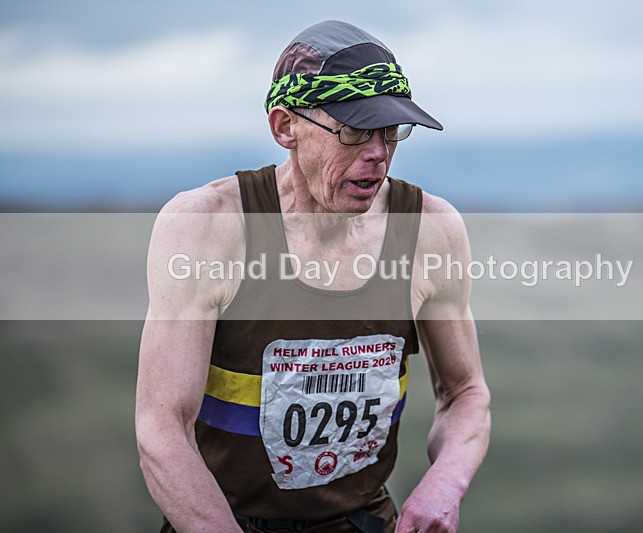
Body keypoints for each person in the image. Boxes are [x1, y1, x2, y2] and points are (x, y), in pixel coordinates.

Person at [135, 20, 490, 533]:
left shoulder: (430, 230)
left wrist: (445, 486)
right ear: (285, 127)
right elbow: (162, 428)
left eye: (391, 131)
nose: (378, 153)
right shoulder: (207, 227)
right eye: (354, 131)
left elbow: (465, 392)